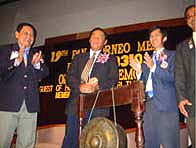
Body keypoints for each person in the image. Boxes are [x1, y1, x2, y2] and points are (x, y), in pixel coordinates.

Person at [62, 27, 119, 148]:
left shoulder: (110, 59)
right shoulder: (79, 57)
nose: (96, 39)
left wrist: (98, 86)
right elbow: (70, 77)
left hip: (98, 106)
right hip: (76, 105)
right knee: (71, 140)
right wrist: (80, 86)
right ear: (89, 40)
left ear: (105, 42)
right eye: (93, 36)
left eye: (100, 37)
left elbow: (113, 80)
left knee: (93, 141)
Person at [0, 22, 49, 148]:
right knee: (2, 141)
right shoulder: (5, 50)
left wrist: (36, 65)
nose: (29, 37)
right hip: (8, 105)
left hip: (30, 106)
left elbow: (45, 73)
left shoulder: (36, 53)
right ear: (17, 34)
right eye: (26, 33)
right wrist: (16, 61)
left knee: (26, 143)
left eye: (32, 35)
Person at [129, 26, 179, 148]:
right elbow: (143, 84)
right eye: (151, 36)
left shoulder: (173, 55)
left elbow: (175, 78)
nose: (153, 38)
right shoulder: (147, 60)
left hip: (167, 105)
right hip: (148, 106)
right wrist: (139, 72)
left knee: (169, 143)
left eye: (157, 35)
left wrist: (154, 68)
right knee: (149, 143)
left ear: (164, 38)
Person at [174, 4, 195, 148]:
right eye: (189, 16)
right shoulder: (182, 47)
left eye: (195, 13)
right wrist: (181, 98)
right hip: (193, 104)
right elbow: (179, 75)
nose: (192, 18)